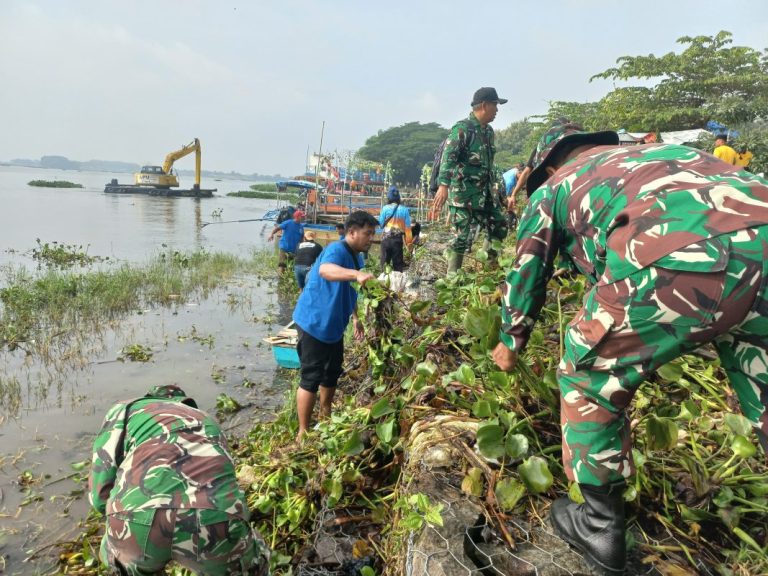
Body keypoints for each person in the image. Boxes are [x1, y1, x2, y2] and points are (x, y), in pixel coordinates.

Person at [492, 120, 768, 575]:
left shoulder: (556, 185)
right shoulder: (660, 156)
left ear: (549, 165)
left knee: (587, 373)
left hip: (681, 252)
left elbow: (527, 269)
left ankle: (599, 525)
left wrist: (511, 340)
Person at [88, 385, 269, 576]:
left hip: (135, 517)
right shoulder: (208, 421)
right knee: (254, 562)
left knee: (110, 550)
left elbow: (99, 497)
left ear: (152, 398)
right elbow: (223, 476)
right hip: (217, 519)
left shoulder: (124, 410)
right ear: (183, 402)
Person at [292, 211, 377, 439]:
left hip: (334, 326)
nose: (371, 238)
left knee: (331, 374)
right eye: (367, 233)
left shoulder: (356, 257)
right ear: (351, 232)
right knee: (310, 378)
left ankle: (326, 414)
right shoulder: (336, 250)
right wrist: (356, 274)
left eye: (372, 234)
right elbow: (325, 270)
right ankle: (303, 431)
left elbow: (351, 288)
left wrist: (356, 318)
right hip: (314, 322)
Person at [432, 87, 509, 274]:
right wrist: (443, 186)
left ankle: (488, 266)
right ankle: (452, 278)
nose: (497, 110)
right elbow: (448, 158)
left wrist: (498, 193)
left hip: (485, 194)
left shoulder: (489, 132)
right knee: (461, 238)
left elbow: (489, 166)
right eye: (495, 105)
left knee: (499, 225)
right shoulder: (462, 129)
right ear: (484, 105)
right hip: (464, 194)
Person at [379, 185, 413, 272]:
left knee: (384, 266)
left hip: (385, 240)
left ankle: (382, 282)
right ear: (398, 198)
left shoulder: (385, 209)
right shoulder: (404, 210)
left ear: (389, 197)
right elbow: (408, 229)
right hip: (397, 242)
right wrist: (409, 244)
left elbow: (381, 224)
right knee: (397, 267)